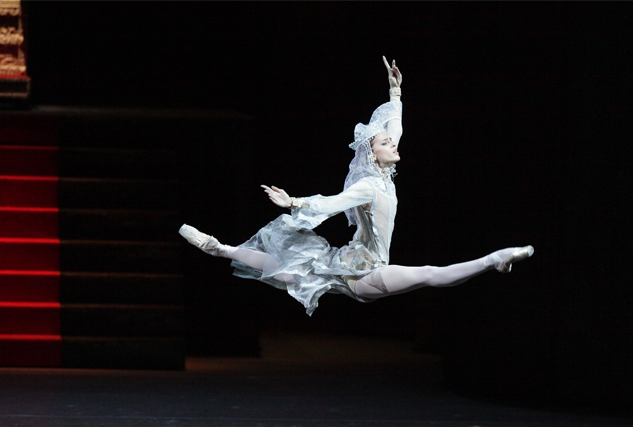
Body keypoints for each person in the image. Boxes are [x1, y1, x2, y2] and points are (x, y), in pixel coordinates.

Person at [180, 56, 533, 316]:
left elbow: (395, 131)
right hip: (365, 273)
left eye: (389, 143)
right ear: (372, 155)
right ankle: (495, 259)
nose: (392, 145)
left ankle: (220, 249)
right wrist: (294, 203)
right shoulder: (368, 185)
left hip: (351, 261)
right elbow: (333, 202)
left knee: (290, 271)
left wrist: (395, 93)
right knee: (426, 274)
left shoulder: (382, 173)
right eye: (384, 144)